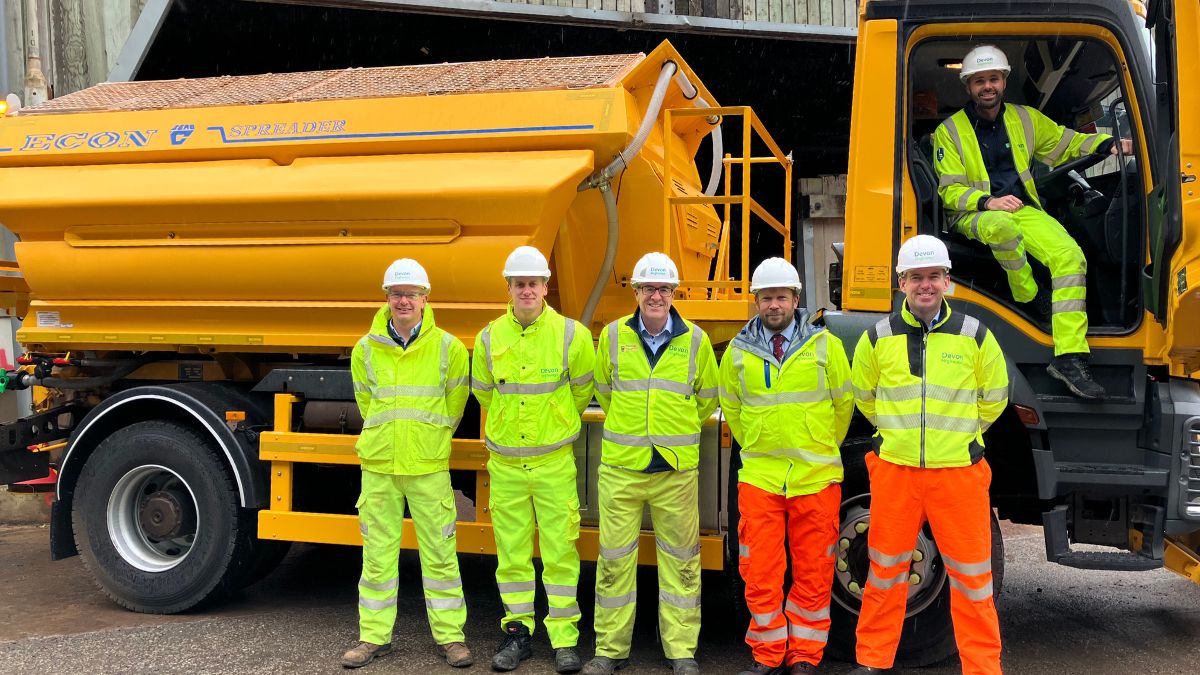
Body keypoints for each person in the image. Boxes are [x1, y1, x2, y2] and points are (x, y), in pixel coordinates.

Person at [933, 44, 1133, 400]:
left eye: (993, 78)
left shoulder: (1025, 119)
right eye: (979, 81)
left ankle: (1070, 357)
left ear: (1004, 81)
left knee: (1071, 258)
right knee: (1003, 227)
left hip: (1022, 209)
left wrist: (1108, 146)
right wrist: (989, 201)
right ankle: (1028, 295)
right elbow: (949, 192)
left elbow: (1063, 142)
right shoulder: (949, 132)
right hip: (973, 214)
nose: (987, 86)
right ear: (968, 87)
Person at [848, 235, 1009, 675]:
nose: (925, 285)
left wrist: (960, 437)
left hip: (958, 475)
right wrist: (895, 437)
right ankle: (872, 662)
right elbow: (864, 396)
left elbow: (994, 398)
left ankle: (982, 668)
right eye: (916, 277)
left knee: (974, 582)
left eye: (933, 276)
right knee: (883, 575)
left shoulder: (975, 336)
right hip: (897, 473)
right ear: (901, 282)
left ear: (947, 281)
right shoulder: (877, 337)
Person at [582, 252, 719, 675]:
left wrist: (668, 432)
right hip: (622, 469)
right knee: (614, 561)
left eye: (663, 289)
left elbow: (706, 398)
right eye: (648, 288)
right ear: (636, 292)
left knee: (681, 561)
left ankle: (681, 651)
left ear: (674, 294)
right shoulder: (612, 337)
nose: (655, 296)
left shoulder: (695, 340)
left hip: (674, 471)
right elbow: (604, 390)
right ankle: (610, 649)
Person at [720, 258, 854, 675]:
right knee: (759, 572)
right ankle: (768, 656)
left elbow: (843, 405)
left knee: (814, 571)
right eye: (766, 298)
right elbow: (733, 409)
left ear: (795, 299)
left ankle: (803, 657)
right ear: (755, 301)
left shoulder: (825, 346)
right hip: (760, 477)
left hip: (815, 477)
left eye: (781, 296)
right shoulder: (738, 352)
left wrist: (816, 444)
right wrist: (761, 446)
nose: (773, 304)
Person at [343, 258, 473, 669]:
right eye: (396, 294)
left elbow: (455, 406)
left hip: (428, 465)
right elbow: (367, 403)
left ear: (425, 299)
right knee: (377, 557)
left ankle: (451, 638)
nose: (403, 301)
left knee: (440, 556)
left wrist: (428, 439)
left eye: (411, 294)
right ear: (387, 298)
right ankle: (373, 638)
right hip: (380, 465)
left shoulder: (448, 348)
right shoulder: (364, 349)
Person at [471, 245, 595, 674]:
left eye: (533, 283)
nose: (527, 289)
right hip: (506, 466)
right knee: (513, 555)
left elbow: (581, 392)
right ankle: (517, 635)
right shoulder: (488, 337)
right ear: (508, 288)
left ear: (545, 287)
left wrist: (554, 425)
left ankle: (564, 641)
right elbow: (484, 392)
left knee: (561, 553)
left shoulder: (571, 335)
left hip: (553, 463)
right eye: (519, 283)